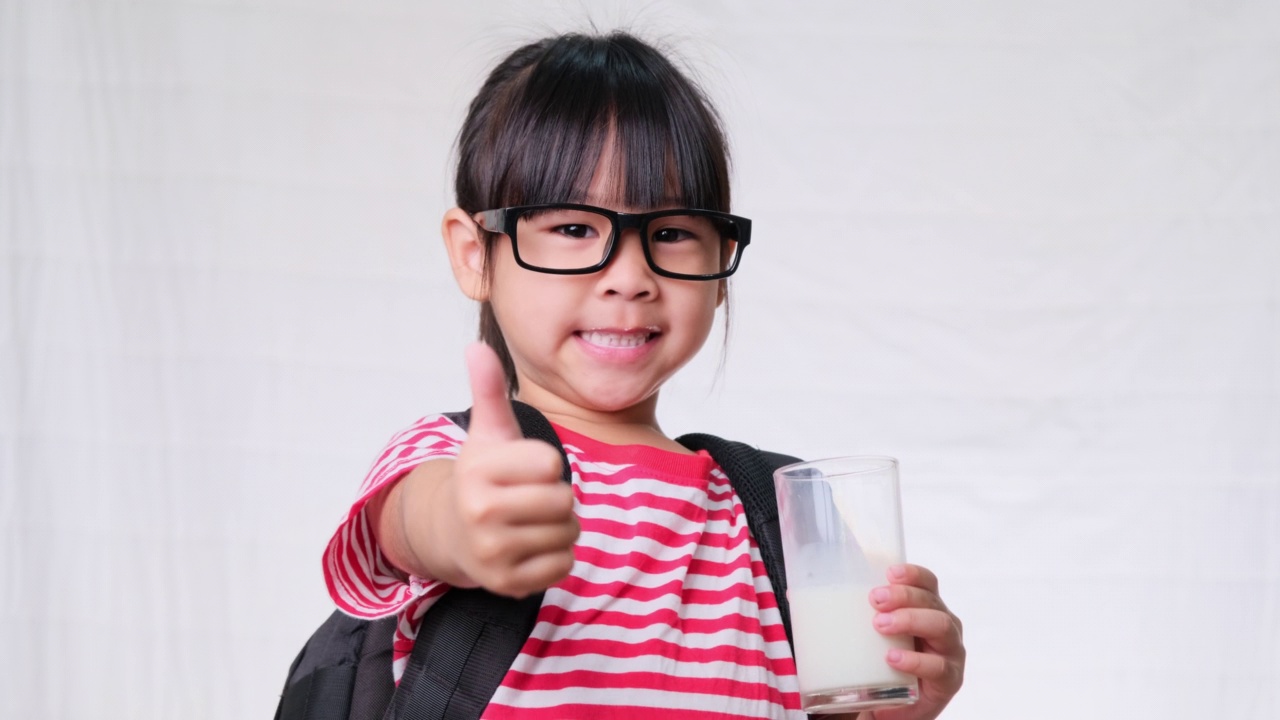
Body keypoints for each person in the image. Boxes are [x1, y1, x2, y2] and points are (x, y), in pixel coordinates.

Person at [322, 30, 965, 720]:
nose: (630, 278)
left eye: (671, 233)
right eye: (573, 229)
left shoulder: (778, 519)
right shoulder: (461, 460)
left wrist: (894, 702)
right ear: (475, 254)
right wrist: (466, 522)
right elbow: (418, 524)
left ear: (722, 262)